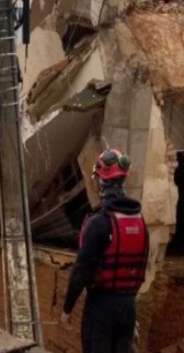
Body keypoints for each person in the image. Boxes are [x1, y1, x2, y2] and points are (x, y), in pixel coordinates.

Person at [61, 149, 149, 352]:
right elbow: (141, 266)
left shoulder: (98, 222)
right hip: (128, 308)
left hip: (100, 307)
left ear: (101, 181)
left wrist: (67, 309)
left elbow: (80, 271)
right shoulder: (140, 221)